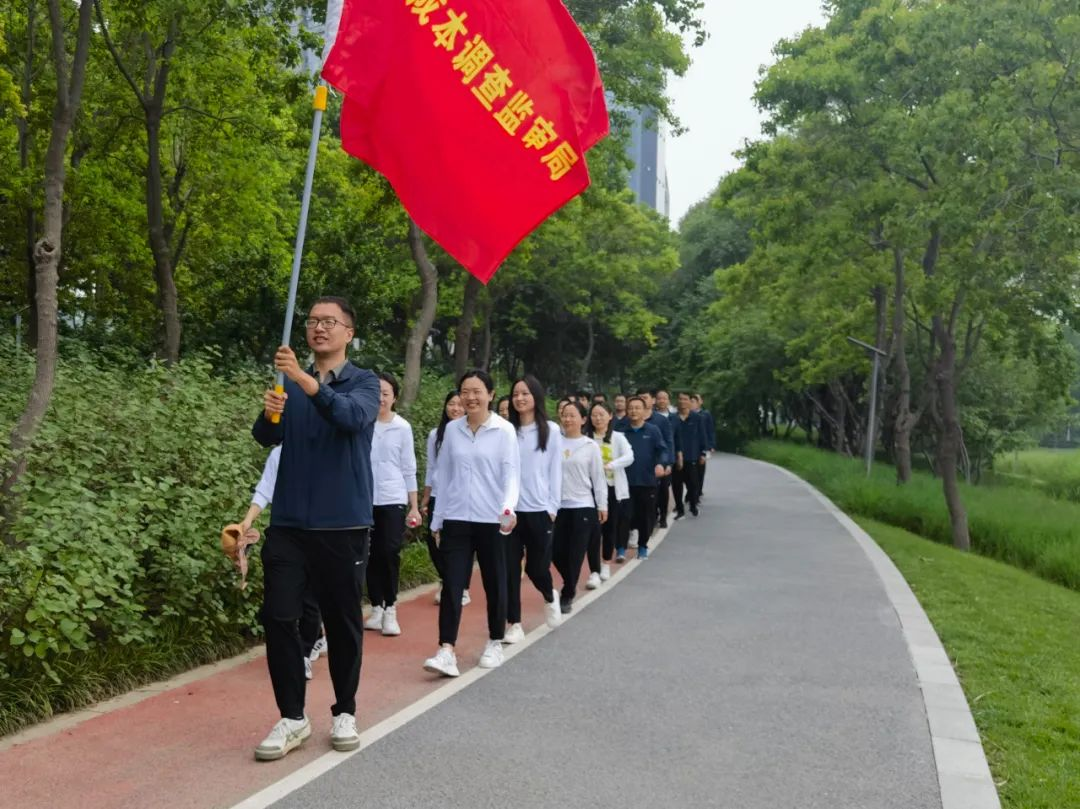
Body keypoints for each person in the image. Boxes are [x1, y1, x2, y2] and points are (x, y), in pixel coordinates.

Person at [252, 295, 379, 761]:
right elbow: (267, 438)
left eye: (330, 322)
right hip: (288, 524)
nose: (319, 328)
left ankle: (344, 709)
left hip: (342, 524)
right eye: (312, 321)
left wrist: (304, 381)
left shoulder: (363, 383)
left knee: (343, 624)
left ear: (349, 332)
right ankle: (292, 717)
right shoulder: (289, 381)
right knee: (280, 617)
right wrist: (270, 411)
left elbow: (349, 418)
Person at [424, 370, 520, 677]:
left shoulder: (504, 431)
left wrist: (508, 508)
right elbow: (444, 475)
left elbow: (511, 475)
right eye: (465, 391)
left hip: (491, 520)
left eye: (477, 391)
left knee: (495, 582)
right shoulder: (452, 430)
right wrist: (437, 520)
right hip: (456, 519)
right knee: (452, 584)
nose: (471, 397)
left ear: (491, 394)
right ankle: (446, 649)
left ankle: (494, 640)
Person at [237, 447, 325, 681]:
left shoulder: (327, 450)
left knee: (310, 600)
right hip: (285, 537)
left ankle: (304, 655)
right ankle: (293, 651)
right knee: (281, 604)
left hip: (321, 536)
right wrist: (247, 521)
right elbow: (265, 489)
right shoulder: (279, 453)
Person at [504, 374, 563, 644]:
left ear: (535, 397)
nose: (519, 398)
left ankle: (550, 595)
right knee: (509, 569)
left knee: (536, 568)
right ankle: (513, 623)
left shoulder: (550, 430)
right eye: (516, 394)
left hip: (540, 510)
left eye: (525, 393)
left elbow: (555, 472)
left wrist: (552, 507)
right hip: (510, 512)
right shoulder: (506, 431)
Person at [363, 372, 421, 637]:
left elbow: (409, 467)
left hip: (393, 499)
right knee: (369, 555)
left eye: (386, 393)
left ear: (395, 397)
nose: (381, 398)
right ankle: (375, 606)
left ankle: (391, 608)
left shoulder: (402, 427)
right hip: (364, 499)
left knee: (389, 552)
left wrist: (414, 505)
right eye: (376, 393)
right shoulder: (363, 424)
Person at [552, 402, 607, 613]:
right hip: (557, 506)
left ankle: (568, 593)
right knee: (554, 551)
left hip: (583, 505)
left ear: (583, 420)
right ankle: (569, 579)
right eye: (564, 415)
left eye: (573, 416)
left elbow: (598, 478)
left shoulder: (589, 446)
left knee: (575, 552)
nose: (567, 419)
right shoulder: (554, 443)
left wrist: (602, 505)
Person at [420, 391, 472, 607]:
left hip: (459, 497)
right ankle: (447, 579)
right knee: (434, 541)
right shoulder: (436, 435)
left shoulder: (471, 433)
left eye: (460, 405)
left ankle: (462, 587)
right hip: (437, 495)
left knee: (460, 543)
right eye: (451, 404)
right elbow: (432, 467)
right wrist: (424, 498)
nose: (456, 408)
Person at [587, 403, 633, 584]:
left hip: (612, 488)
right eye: (594, 415)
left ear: (610, 416)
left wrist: (611, 465)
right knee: (592, 530)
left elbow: (630, 456)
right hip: (589, 490)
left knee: (609, 527)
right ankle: (594, 569)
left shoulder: (618, 438)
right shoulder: (587, 438)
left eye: (601, 414)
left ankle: (605, 562)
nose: (598, 418)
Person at [621, 396, 666, 561]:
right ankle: (620, 547)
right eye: (631, 408)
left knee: (646, 516)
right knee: (625, 516)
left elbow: (662, 450)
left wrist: (661, 464)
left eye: (637, 408)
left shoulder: (652, 430)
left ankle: (642, 546)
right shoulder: (621, 431)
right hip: (625, 482)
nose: (633, 411)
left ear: (644, 410)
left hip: (647, 481)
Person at [636, 388, 674, 529]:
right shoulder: (631, 419)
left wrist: (668, 462)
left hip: (659, 462)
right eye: (639, 397)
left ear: (652, 400)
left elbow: (669, 442)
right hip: (641, 465)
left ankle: (663, 515)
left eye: (645, 397)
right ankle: (649, 519)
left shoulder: (661, 420)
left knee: (662, 491)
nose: (642, 399)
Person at [672, 391, 709, 519]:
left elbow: (702, 436)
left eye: (685, 399)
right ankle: (680, 510)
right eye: (680, 399)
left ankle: (693, 505)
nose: (682, 401)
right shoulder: (672, 418)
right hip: (676, 457)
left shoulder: (697, 418)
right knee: (677, 485)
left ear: (690, 401)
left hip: (692, 456)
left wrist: (703, 453)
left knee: (693, 484)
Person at [692, 393, 717, 491]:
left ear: (701, 402)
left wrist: (711, 445)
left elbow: (710, 430)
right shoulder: (686, 415)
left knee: (700, 468)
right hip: (691, 446)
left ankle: (698, 490)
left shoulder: (705, 414)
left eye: (696, 400)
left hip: (703, 445)